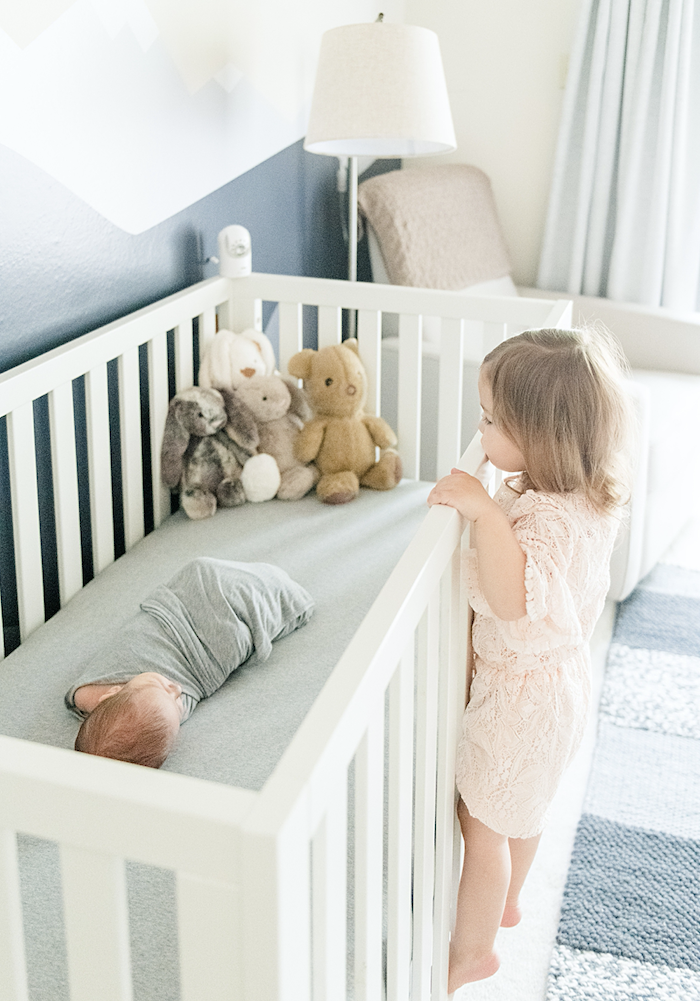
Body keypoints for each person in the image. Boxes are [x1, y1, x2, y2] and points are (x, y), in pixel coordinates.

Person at [427, 327, 633, 991]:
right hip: (564, 684)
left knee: (480, 821)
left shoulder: (539, 519)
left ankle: (472, 950)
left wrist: (486, 514)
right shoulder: (590, 496)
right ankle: (512, 899)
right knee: (528, 804)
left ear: (539, 435)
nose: (479, 429)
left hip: (521, 695)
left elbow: (516, 597)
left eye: (490, 421)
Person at [66, 557, 314, 769]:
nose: (176, 689)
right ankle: (277, 598)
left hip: (182, 608)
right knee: (235, 633)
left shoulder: (91, 691)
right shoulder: (157, 716)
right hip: (205, 649)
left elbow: (94, 703)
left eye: (163, 689)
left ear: (111, 693)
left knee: (204, 575)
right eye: (177, 705)